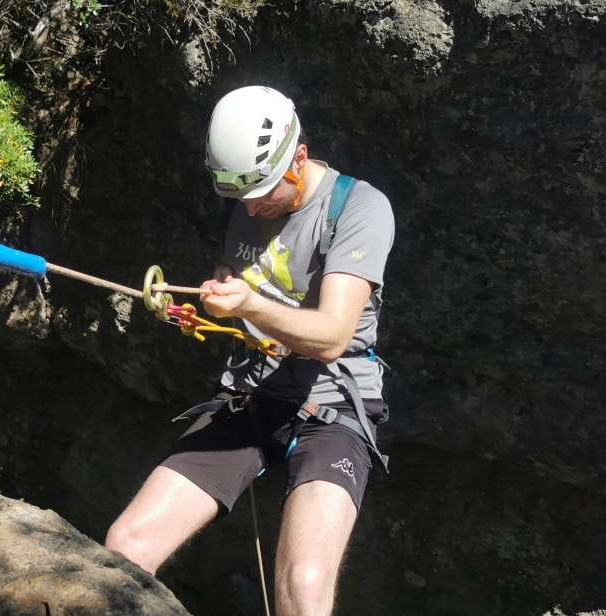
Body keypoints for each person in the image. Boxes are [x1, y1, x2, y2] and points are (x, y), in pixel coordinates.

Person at [105, 85, 395, 616]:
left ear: (299, 160)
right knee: (126, 544)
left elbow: (332, 336)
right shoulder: (246, 202)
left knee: (303, 591)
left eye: (261, 192)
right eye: (239, 196)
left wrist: (251, 304)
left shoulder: (360, 208)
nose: (251, 206)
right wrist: (216, 297)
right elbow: (236, 274)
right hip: (250, 395)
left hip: (332, 410)